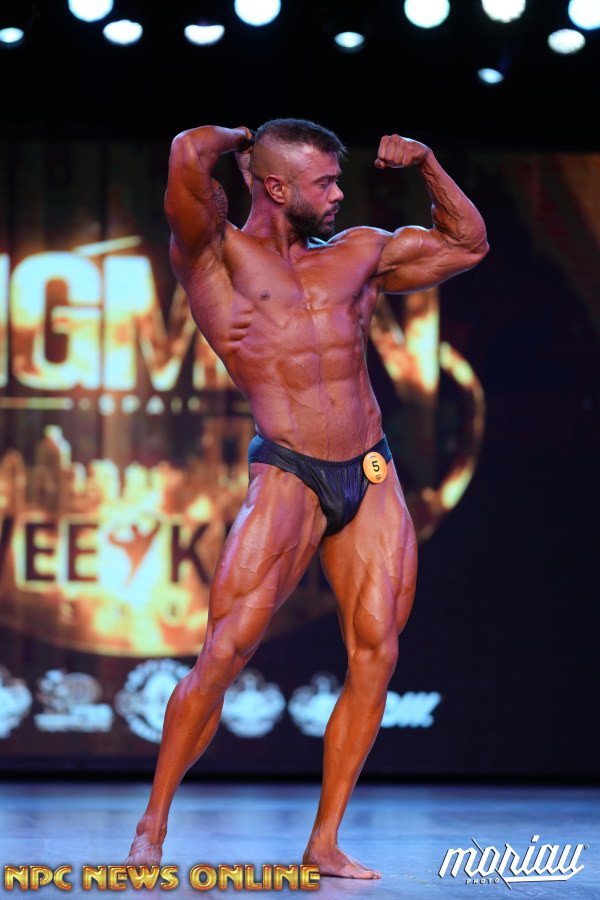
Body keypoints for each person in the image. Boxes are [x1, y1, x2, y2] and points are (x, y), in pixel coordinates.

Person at [125, 118, 488, 878]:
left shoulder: (357, 253)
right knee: (225, 653)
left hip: (371, 467)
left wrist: (427, 163)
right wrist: (237, 137)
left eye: (338, 180)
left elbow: (468, 245)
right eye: (323, 183)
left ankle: (323, 842)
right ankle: (151, 828)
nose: (339, 194)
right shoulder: (216, 258)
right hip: (289, 469)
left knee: (377, 652)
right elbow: (186, 153)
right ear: (276, 185)